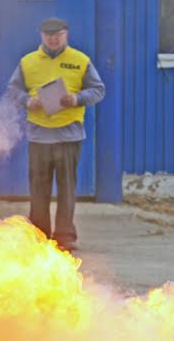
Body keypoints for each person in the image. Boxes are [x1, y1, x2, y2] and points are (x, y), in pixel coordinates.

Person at [6, 17, 105, 252]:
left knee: (66, 188)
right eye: (49, 35)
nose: (53, 39)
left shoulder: (80, 61)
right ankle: (39, 235)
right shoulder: (28, 62)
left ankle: (65, 236)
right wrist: (27, 101)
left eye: (58, 35)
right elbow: (12, 89)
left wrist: (77, 99)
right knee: (38, 188)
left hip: (68, 134)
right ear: (41, 36)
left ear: (66, 35)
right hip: (39, 135)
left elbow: (98, 90)